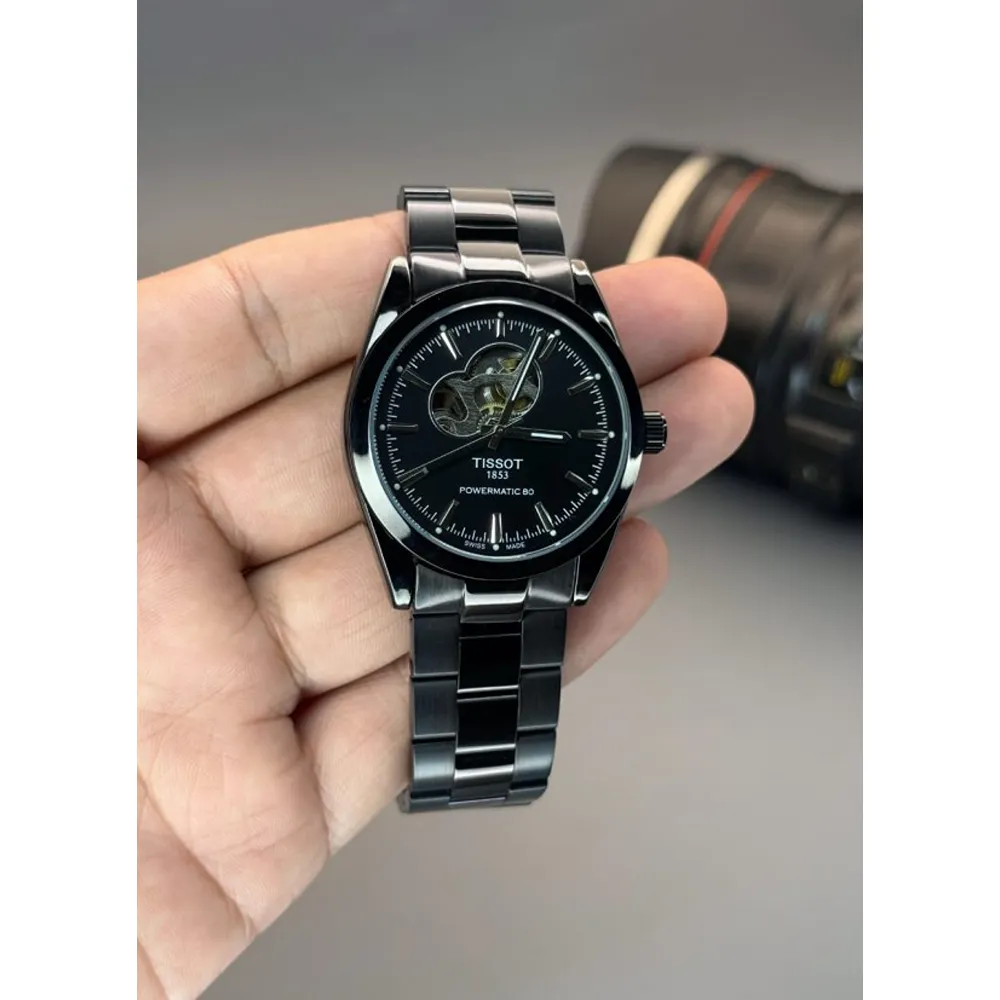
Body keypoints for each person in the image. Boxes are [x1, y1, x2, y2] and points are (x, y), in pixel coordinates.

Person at [137, 209, 754, 999]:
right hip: (460, 535)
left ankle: (472, 769)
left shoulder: (572, 414)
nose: (496, 433)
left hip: (504, 534)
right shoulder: (424, 399)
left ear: (639, 435)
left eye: (511, 408)